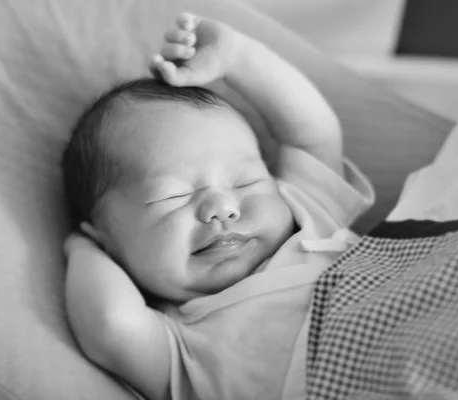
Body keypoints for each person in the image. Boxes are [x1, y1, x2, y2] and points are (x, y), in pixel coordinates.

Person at [61, 12, 374, 400]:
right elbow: (111, 323)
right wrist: (82, 248)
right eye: (173, 196)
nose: (222, 207)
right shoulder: (180, 346)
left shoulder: (310, 217)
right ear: (108, 241)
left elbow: (313, 131)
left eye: (244, 181)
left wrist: (237, 58)